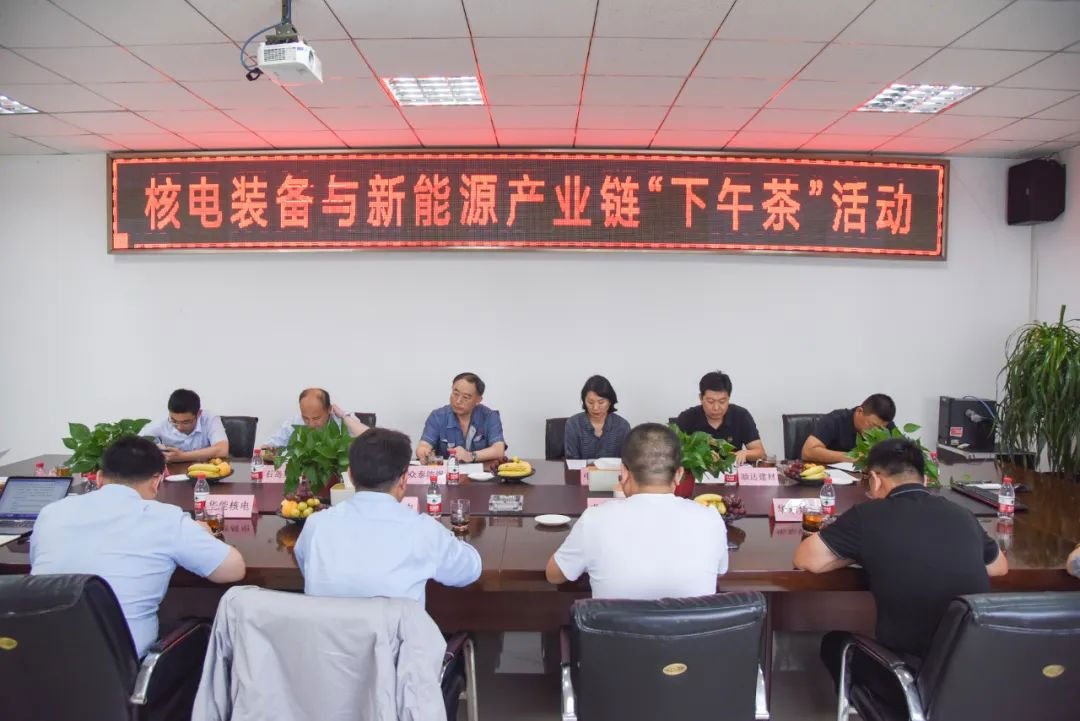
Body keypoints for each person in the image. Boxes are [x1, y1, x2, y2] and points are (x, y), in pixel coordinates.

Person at [794, 437, 1007, 710]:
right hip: (972, 676)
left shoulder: (867, 516)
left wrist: (861, 552)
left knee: (834, 644)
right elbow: (999, 566)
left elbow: (806, 559)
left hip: (908, 682)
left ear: (874, 480)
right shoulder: (962, 515)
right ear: (924, 479)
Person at [30, 436, 245, 657]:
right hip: (122, 667)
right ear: (156, 481)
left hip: (38, 659)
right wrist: (200, 533)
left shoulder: (51, 513)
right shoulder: (165, 518)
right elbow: (233, 570)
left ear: (100, 477)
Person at [295, 427, 482, 604]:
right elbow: (469, 570)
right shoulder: (423, 530)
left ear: (350, 476)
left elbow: (306, 566)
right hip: (396, 630)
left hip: (327, 628)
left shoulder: (316, 525)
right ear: (403, 480)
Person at [545, 423, 728, 598]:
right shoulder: (710, 518)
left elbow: (554, 575)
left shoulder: (595, 519)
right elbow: (720, 570)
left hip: (614, 622)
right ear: (679, 474)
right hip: (691, 622)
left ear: (623, 472)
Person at [674, 371, 766, 465]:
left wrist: (745, 453)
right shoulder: (687, 418)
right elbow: (671, 452)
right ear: (701, 398)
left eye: (722, 401)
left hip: (732, 472)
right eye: (710, 401)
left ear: (729, 398)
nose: (716, 408)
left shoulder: (741, 415)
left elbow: (760, 453)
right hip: (697, 472)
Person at [416, 372, 506, 464]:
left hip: (482, 472)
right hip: (447, 471)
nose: (458, 401)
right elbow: (423, 446)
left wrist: (471, 456)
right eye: (455, 393)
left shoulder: (490, 417)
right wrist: (424, 452)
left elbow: (499, 450)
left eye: (466, 397)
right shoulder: (438, 416)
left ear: (478, 400)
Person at [801, 393, 896, 464]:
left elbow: (900, 455)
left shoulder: (886, 426)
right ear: (859, 411)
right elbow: (808, 452)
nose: (875, 432)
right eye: (872, 425)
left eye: (880, 428)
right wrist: (847, 457)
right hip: (829, 479)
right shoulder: (835, 420)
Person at [262, 388, 371, 449]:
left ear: (329, 409)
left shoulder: (344, 420)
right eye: (305, 418)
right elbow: (268, 446)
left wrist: (343, 416)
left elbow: (371, 438)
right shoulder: (293, 423)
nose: (311, 424)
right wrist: (268, 450)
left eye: (316, 418)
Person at [145, 388, 229, 463]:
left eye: (186, 422)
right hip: (172, 472)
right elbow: (139, 447)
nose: (179, 427)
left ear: (198, 414)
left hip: (205, 471)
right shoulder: (160, 422)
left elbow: (222, 450)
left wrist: (182, 457)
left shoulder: (209, 418)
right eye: (174, 421)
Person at [563, 375, 631, 460]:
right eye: (590, 402)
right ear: (584, 401)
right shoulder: (573, 424)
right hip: (581, 469)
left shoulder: (622, 426)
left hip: (614, 469)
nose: (595, 408)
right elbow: (572, 461)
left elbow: (627, 460)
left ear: (610, 402)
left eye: (601, 402)